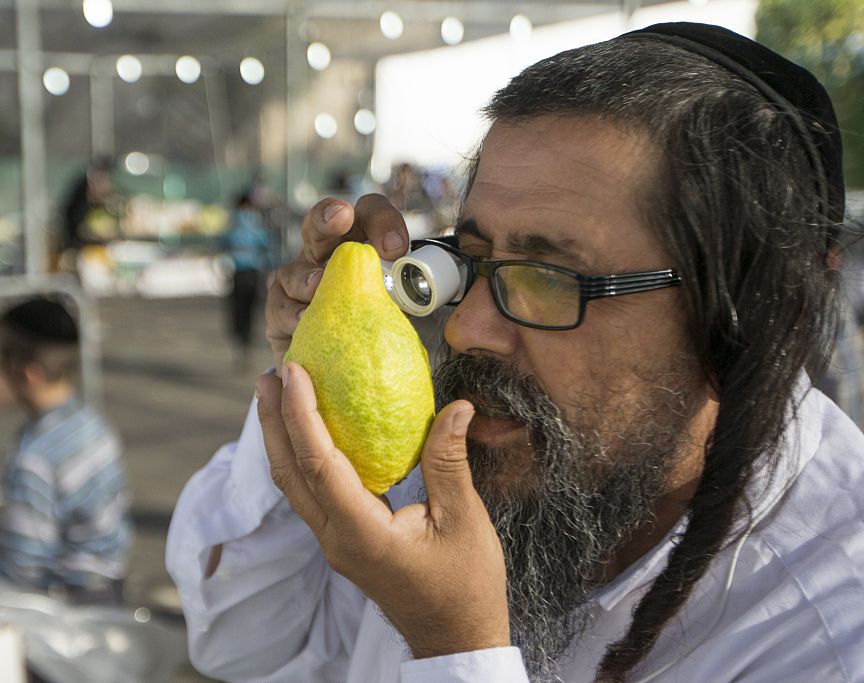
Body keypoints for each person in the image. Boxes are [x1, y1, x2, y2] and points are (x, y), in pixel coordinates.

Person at [166, 22, 864, 682]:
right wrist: (315, 378)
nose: (467, 329)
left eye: (547, 278)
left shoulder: (833, 629)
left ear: (754, 315)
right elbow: (245, 641)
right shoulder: (473, 451)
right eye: (471, 260)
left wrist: (454, 645)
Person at [0, 296, 132, 605]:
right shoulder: (92, 424)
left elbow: (24, 565)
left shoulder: (34, 457)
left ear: (29, 374)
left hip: (66, 605)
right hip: (108, 586)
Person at [221, 191, 271, 368]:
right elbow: (265, 245)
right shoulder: (255, 222)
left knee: (238, 309)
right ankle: (246, 342)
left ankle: (240, 341)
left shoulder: (233, 222)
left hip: (237, 272)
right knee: (250, 310)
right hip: (253, 271)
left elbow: (222, 243)